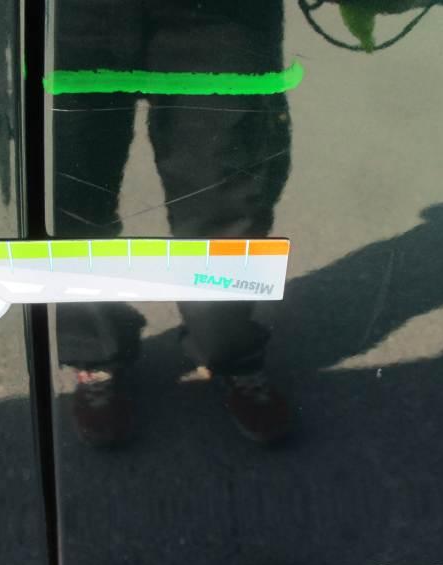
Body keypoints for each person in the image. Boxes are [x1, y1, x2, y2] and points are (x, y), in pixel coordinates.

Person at [52, 0, 293, 446]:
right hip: (70, 12)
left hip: (221, 14)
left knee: (225, 195)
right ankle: (93, 352)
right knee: (69, 196)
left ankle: (232, 353)